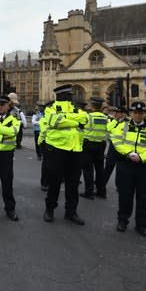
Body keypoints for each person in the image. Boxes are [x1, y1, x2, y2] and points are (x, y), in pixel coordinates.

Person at [111, 102, 146, 236]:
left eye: (140, 113)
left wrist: (142, 157)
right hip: (126, 164)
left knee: (145, 198)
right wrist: (129, 154)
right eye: (135, 112)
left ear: (144, 113)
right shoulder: (123, 126)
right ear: (131, 113)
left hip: (145, 166)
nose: (138, 115)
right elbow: (116, 142)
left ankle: (141, 225)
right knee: (125, 195)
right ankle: (122, 221)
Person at [43, 84, 88, 225]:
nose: (70, 97)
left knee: (73, 184)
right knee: (54, 183)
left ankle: (71, 212)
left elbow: (85, 120)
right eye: (68, 95)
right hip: (57, 149)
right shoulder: (51, 108)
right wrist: (74, 121)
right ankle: (49, 209)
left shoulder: (76, 108)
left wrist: (66, 120)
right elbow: (54, 121)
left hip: (75, 150)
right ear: (61, 96)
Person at [80, 97, 109, 199]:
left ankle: (89, 192)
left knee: (88, 169)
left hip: (88, 145)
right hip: (101, 145)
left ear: (92, 106)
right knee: (100, 169)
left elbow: (80, 128)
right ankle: (102, 192)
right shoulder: (106, 118)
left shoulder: (88, 117)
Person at [103, 107, 129, 188]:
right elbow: (108, 128)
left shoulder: (128, 122)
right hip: (113, 147)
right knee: (108, 167)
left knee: (120, 169)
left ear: (123, 114)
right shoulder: (113, 121)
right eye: (114, 112)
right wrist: (115, 120)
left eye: (117, 112)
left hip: (123, 147)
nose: (115, 114)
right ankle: (102, 186)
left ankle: (120, 186)